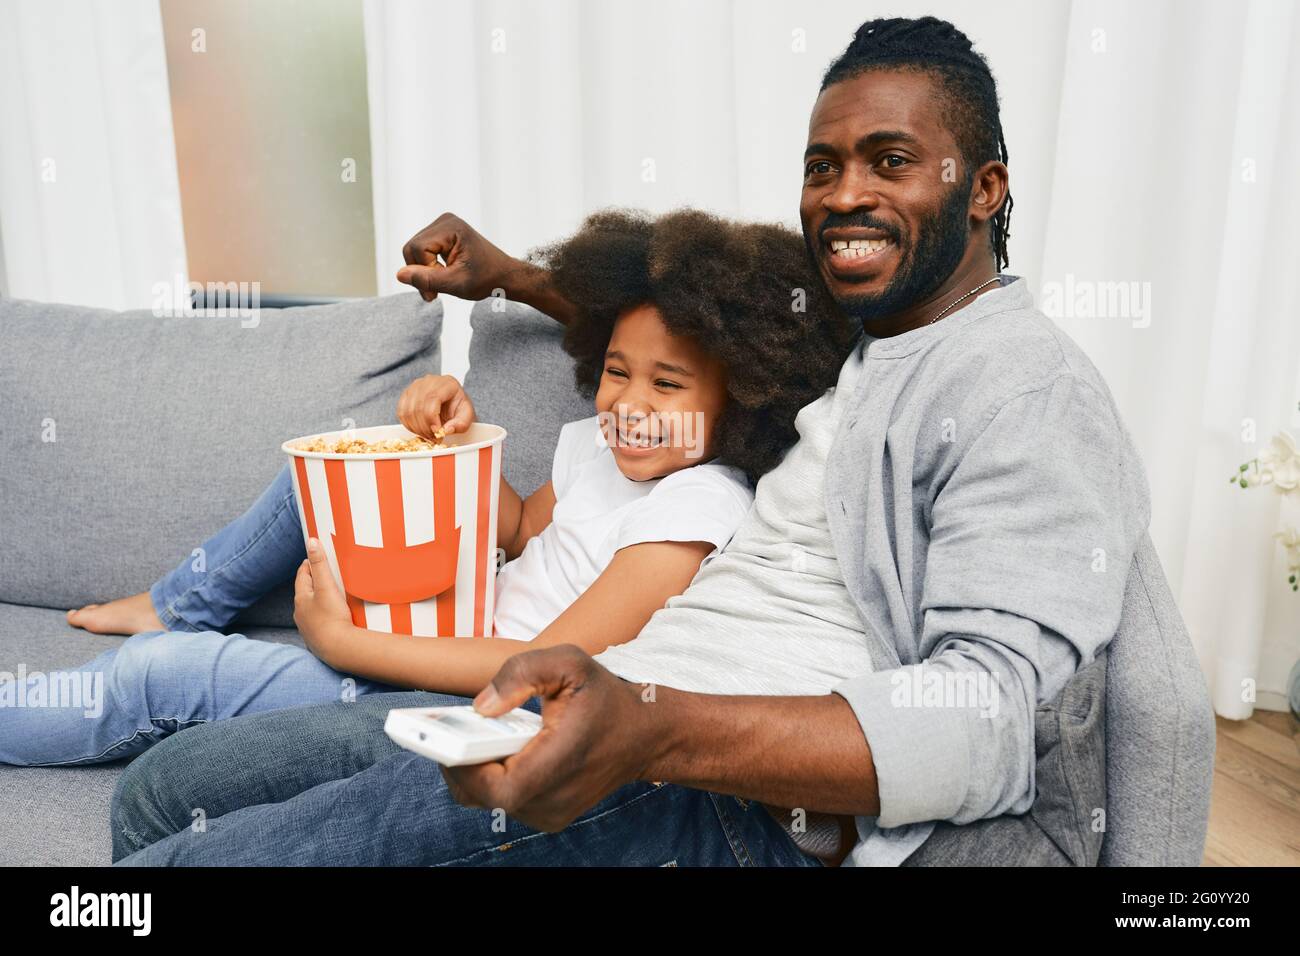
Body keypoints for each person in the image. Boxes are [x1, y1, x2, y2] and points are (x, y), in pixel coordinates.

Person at [109, 16, 1150, 867]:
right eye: (821, 165)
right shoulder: (870, 336)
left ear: (984, 189)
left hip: (722, 795)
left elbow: (988, 722)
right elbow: (691, 332)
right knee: (162, 792)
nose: (842, 195)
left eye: (891, 162)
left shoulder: (1022, 386)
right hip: (604, 702)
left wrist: (651, 725)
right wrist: (515, 276)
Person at [2, 209, 850, 768]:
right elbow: (519, 531)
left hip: (461, 696)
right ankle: (180, 600)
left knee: (160, 679)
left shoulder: (698, 509)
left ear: (740, 395)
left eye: (667, 387)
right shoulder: (604, 447)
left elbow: (544, 668)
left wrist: (341, 644)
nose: (628, 405)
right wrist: (448, 438)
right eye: (616, 373)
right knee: (330, 473)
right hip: (445, 615)